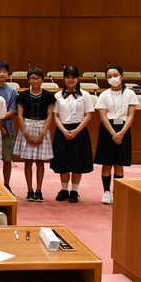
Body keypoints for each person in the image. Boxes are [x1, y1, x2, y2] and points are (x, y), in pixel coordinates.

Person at [94, 66, 139, 204]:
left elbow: (131, 115)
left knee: (119, 164)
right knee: (107, 163)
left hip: (124, 129)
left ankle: (117, 192)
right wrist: (114, 133)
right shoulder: (104, 95)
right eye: (109, 76)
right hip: (108, 130)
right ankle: (106, 192)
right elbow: (102, 116)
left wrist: (121, 133)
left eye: (115, 75)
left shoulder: (130, 93)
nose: (113, 78)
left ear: (121, 76)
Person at [51, 66, 95, 203]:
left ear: (78, 79)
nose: (70, 80)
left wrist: (76, 131)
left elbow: (88, 115)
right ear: (64, 79)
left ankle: (74, 191)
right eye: (68, 77)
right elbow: (55, 116)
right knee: (63, 162)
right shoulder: (57, 96)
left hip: (79, 131)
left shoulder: (85, 95)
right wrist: (64, 131)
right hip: (62, 131)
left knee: (78, 162)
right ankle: (64, 190)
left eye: (73, 77)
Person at [14, 68, 56, 202]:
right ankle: (29, 190)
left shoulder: (48, 96)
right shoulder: (23, 95)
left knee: (40, 162)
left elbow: (50, 115)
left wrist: (43, 133)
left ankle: (39, 190)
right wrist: (25, 132)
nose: (35, 81)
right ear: (28, 80)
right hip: (27, 126)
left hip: (42, 127)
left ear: (43, 80)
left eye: (38, 78)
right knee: (27, 161)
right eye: (32, 78)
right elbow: (19, 115)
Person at [0, 62, 18, 193]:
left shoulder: (12, 91)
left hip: (7, 129)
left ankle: (6, 184)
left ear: (8, 74)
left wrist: (0, 123)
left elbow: (13, 110)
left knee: (7, 159)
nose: (2, 74)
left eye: (4, 71)